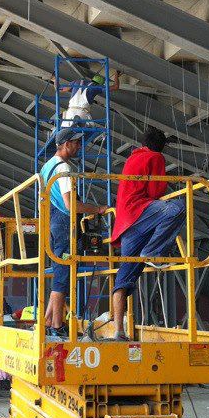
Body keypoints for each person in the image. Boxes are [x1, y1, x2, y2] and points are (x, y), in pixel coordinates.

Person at [110, 126, 186, 340]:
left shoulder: (133, 157)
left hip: (126, 223)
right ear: (161, 147)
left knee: (124, 277)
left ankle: (118, 331)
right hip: (139, 211)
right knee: (178, 207)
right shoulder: (156, 157)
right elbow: (155, 191)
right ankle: (152, 252)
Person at [39, 128, 107, 337]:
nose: (79, 146)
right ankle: (57, 325)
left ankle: (48, 320)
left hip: (51, 223)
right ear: (66, 144)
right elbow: (70, 205)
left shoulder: (47, 167)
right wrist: (97, 209)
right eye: (76, 143)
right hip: (64, 224)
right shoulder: (64, 168)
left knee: (59, 273)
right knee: (63, 276)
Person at [53, 68, 120, 127]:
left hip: (70, 111)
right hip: (82, 112)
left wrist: (54, 79)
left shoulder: (77, 82)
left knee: (66, 129)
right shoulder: (96, 86)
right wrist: (116, 75)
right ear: (100, 84)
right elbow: (115, 87)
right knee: (88, 129)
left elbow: (59, 89)